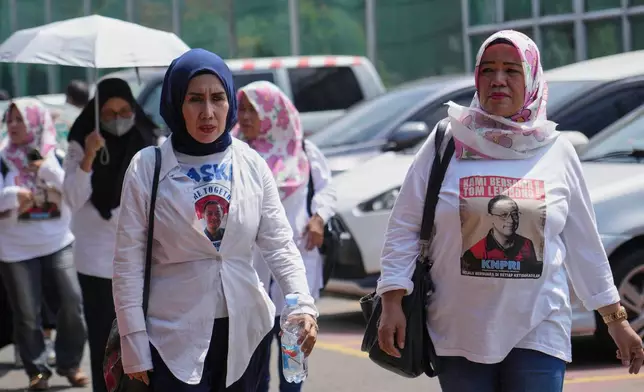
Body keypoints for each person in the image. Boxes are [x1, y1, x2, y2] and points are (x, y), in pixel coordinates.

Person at [376, 30, 644, 392]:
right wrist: (392, 300)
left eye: (511, 70)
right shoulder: (448, 140)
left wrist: (616, 320)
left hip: (539, 327)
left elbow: (584, 245)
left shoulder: (557, 151)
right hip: (459, 330)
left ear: (532, 77)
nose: (497, 80)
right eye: (487, 70)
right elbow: (405, 224)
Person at [112, 48, 319, 392]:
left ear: (229, 103)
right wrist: (133, 342)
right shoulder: (148, 167)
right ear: (176, 103)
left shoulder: (251, 162)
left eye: (218, 98)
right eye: (194, 99)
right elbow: (128, 263)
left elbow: (280, 244)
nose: (207, 112)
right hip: (172, 335)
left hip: (246, 330)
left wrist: (302, 303)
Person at [233, 80, 336, 392]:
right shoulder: (235, 151)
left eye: (254, 109)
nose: (245, 117)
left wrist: (319, 218)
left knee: (292, 362)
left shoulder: (302, 148)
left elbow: (327, 189)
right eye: (242, 109)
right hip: (252, 272)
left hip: (294, 267)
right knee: (255, 360)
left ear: (273, 112)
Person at [63, 78, 159, 392]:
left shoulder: (149, 142)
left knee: (143, 341)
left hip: (143, 262)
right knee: (105, 343)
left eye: (124, 110)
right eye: (109, 112)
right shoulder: (80, 141)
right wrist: (89, 157)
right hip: (96, 262)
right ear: (95, 113)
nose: (118, 118)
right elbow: (73, 199)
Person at [0, 98, 88, 390]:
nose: (12, 125)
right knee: (26, 313)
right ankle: (37, 370)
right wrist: (13, 195)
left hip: (58, 242)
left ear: (36, 122)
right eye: (9, 119)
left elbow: (75, 196)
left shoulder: (56, 156)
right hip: (15, 250)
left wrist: (48, 170)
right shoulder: (2, 158)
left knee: (73, 301)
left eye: (19, 119)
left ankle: (69, 363)